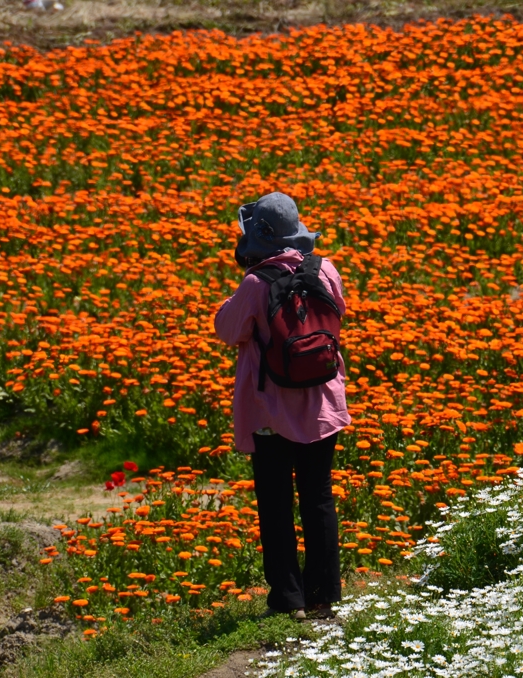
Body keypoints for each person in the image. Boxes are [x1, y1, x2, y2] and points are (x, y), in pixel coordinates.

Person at [214, 191, 351, 620]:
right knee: (318, 498)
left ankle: (287, 599)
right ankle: (323, 596)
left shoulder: (256, 284)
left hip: (270, 409)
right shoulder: (326, 269)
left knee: (275, 503)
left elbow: (228, 330)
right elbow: (338, 315)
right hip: (322, 403)